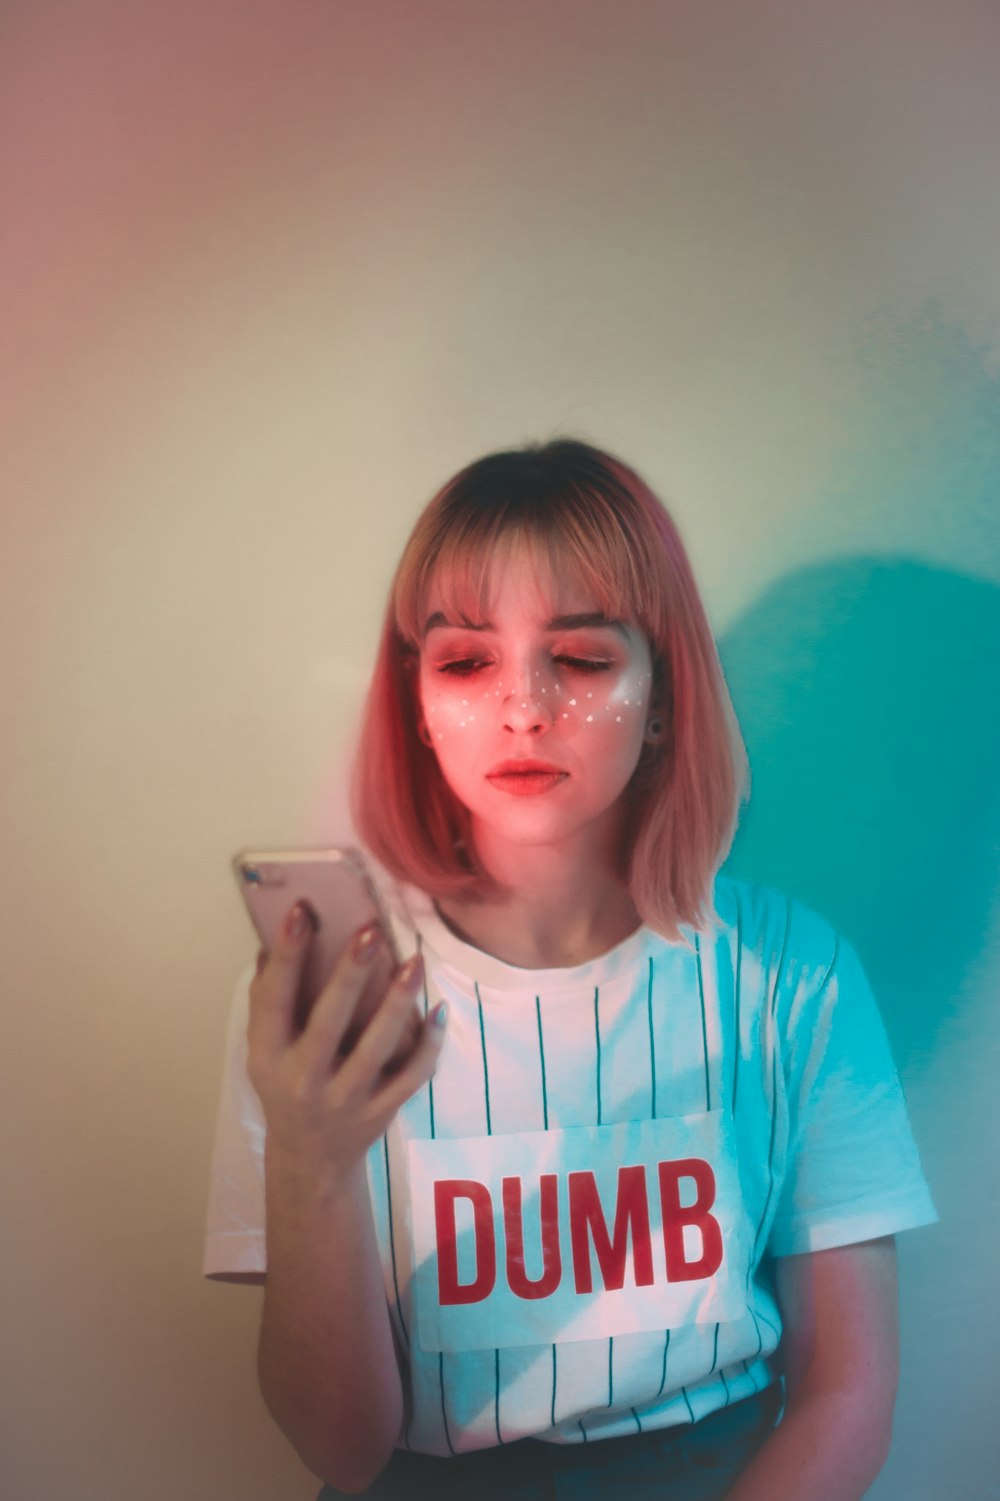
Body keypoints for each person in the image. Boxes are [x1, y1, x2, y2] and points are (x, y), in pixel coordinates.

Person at [203, 439, 937, 1500]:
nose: (523, 707)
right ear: (414, 699)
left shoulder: (795, 977)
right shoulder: (315, 1008)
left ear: (664, 696)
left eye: (582, 658)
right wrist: (311, 1160)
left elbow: (845, 1390)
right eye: (464, 660)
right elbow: (341, 1448)